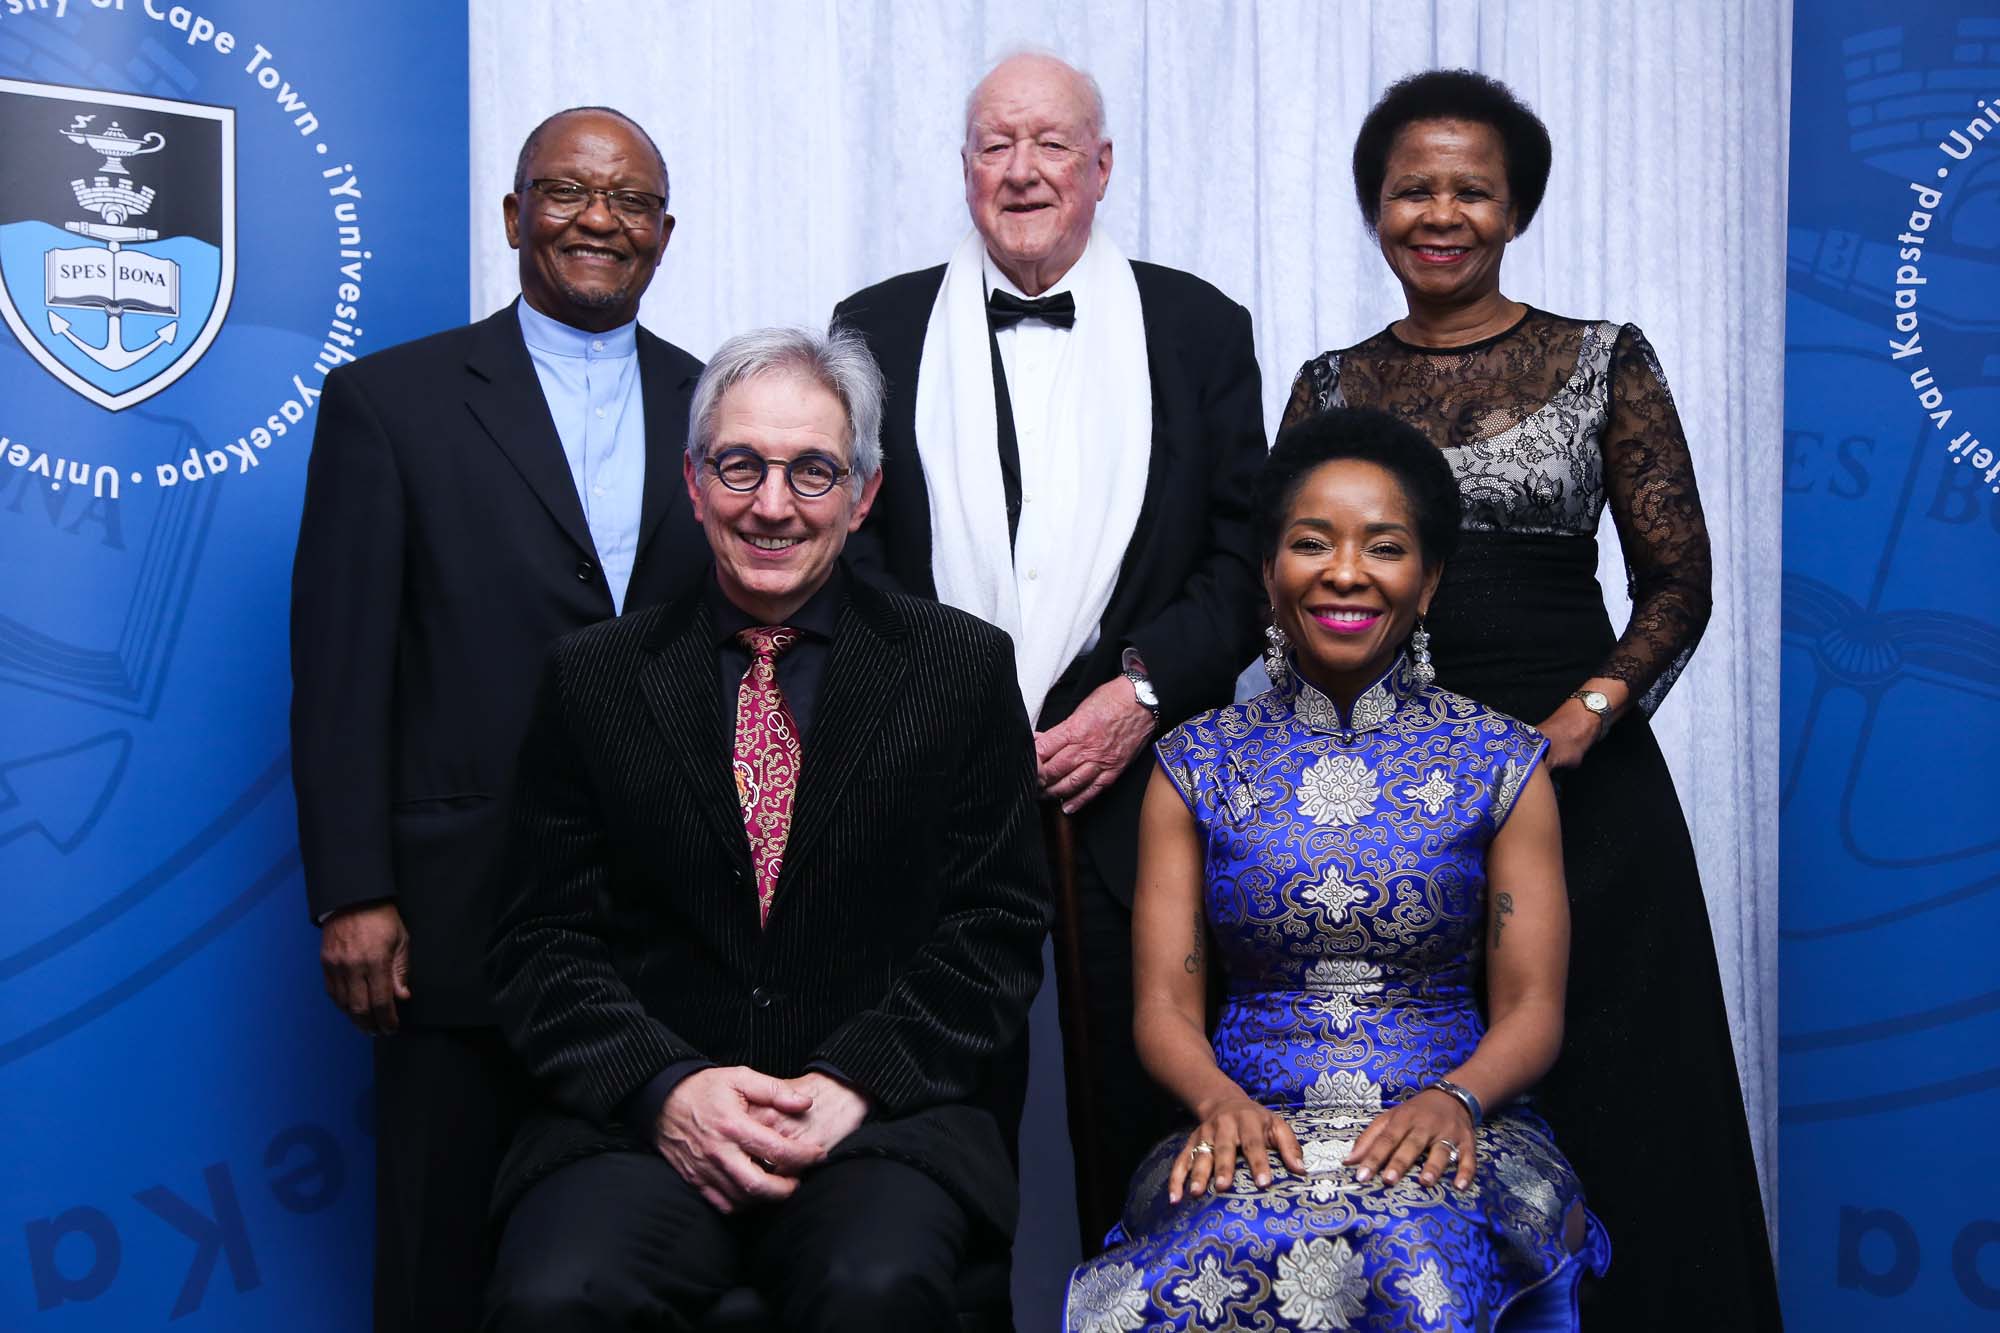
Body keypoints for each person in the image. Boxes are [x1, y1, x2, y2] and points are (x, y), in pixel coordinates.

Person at [1282, 69, 1781, 1327]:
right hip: (1392, 806)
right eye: (1411, 189)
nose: (1438, 212)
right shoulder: (1326, 384)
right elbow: (1281, 597)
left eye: (1469, 189)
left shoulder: (1600, 357)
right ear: (1374, 210)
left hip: (1578, 784)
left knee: (1624, 1091)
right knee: (1425, 1093)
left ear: (1513, 210)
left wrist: (1577, 724)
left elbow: (1677, 583)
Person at [482, 327, 1052, 1331]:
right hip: (640, 1128)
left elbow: (992, 930)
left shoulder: (958, 669)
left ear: (864, 493)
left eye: (812, 470)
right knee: (553, 1293)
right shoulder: (593, 677)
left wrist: (852, 1082)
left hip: (880, 1127)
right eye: (740, 465)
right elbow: (540, 941)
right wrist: (666, 1087)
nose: (772, 504)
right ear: (695, 482)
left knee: (874, 1288)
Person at [832, 51, 1266, 1246]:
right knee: (929, 1119)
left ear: (1101, 165)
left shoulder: (1198, 325)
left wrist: (1137, 693)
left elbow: (1241, 559)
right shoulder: (870, 326)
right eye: (993, 145)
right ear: (964, 167)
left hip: (1138, 797)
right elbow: (846, 553)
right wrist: (948, 708)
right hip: (931, 786)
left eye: (1049, 144)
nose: (1020, 171)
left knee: (1144, 1119)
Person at [289, 105, 706, 1332]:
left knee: (625, 1262)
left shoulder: (717, 407)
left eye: (629, 201)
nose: (598, 220)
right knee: (438, 1249)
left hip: (667, 927)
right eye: (567, 192)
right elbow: (341, 662)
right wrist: (351, 890)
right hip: (450, 915)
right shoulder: (391, 402)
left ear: (664, 233)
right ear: (513, 213)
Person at [1066, 407, 1610, 1332]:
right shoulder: (1194, 763)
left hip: (1455, 1117)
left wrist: (1456, 1099)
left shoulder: (1500, 762)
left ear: (1429, 580)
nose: (1346, 572)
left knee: (1412, 1250)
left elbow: (1533, 1010)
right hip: (1244, 1120)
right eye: (1313, 543)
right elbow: (1162, 1006)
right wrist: (1218, 1103)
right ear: (1271, 575)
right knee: (1216, 1243)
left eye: (1385, 547)